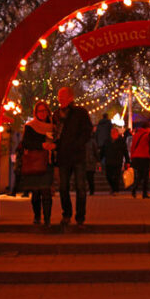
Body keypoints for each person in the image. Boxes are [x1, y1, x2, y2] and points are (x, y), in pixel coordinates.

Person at [55, 86, 93, 227]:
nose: (60, 98)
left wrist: (78, 144)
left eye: (63, 95)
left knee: (80, 187)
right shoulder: (56, 114)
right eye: (59, 96)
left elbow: (87, 131)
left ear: (71, 97)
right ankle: (66, 214)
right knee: (63, 187)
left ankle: (80, 216)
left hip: (77, 156)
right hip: (63, 157)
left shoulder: (80, 113)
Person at [19, 101, 56, 226]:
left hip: (48, 162)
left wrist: (53, 146)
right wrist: (41, 145)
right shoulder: (30, 126)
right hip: (34, 162)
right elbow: (25, 143)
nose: (43, 113)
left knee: (46, 191)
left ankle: (47, 219)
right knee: (35, 192)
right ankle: (37, 216)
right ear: (36, 113)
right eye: (40, 111)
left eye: (45, 110)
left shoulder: (52, 126)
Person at [101, 127, 130, 194]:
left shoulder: (121, 141)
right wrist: (99, 159)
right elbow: (103, 151)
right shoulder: (107, 141)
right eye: (112, 132)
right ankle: (113, 188)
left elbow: (125, 152)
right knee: (108, 176)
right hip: (108, 161)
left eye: (114, 132)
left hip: (117, 161)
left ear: (117, 133)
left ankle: (116, 190)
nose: (113, 134)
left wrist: (127, 161)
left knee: (116, 176)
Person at [129, 121, 150, 198]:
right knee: (145, 176)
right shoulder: (147, 135)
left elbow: (132, 147)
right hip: (145, 157)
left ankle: (134, 189)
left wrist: (132, 157)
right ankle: (144, 193)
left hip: (136, 157)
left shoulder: (136, 135)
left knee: (140, 175)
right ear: (148, 128)